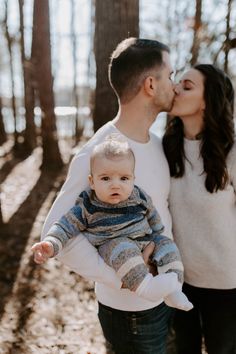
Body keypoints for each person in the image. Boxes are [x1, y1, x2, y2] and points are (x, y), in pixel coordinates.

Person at [42, 37, 177, 353]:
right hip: (130, 313)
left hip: (159, 303)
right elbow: (56, 233)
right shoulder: (99, 152)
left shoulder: (155, 144)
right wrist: (124, 277)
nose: (175, 83)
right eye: (170, 75)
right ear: (150, 84)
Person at [32, 135, 193, 311]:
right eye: (106, 178)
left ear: (133, 179)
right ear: (92, 182)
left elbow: (151, 212)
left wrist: (157, 232)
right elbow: (65, 225)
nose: (115, 185)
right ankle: (146, 287)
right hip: (113, 245)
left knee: (168, 246)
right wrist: (51, 243)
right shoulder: (88, 205)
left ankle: (174, 289)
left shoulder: (138, 195)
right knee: (123, 248)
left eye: (124, 178)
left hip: (145, 239)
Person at [163, 64, 236, 354]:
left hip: (227, 285)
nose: (175, 88)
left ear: (208, 101)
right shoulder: (164, 148)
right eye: (177, 82)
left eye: (187, 86)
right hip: (179, 282)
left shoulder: (232, 151)